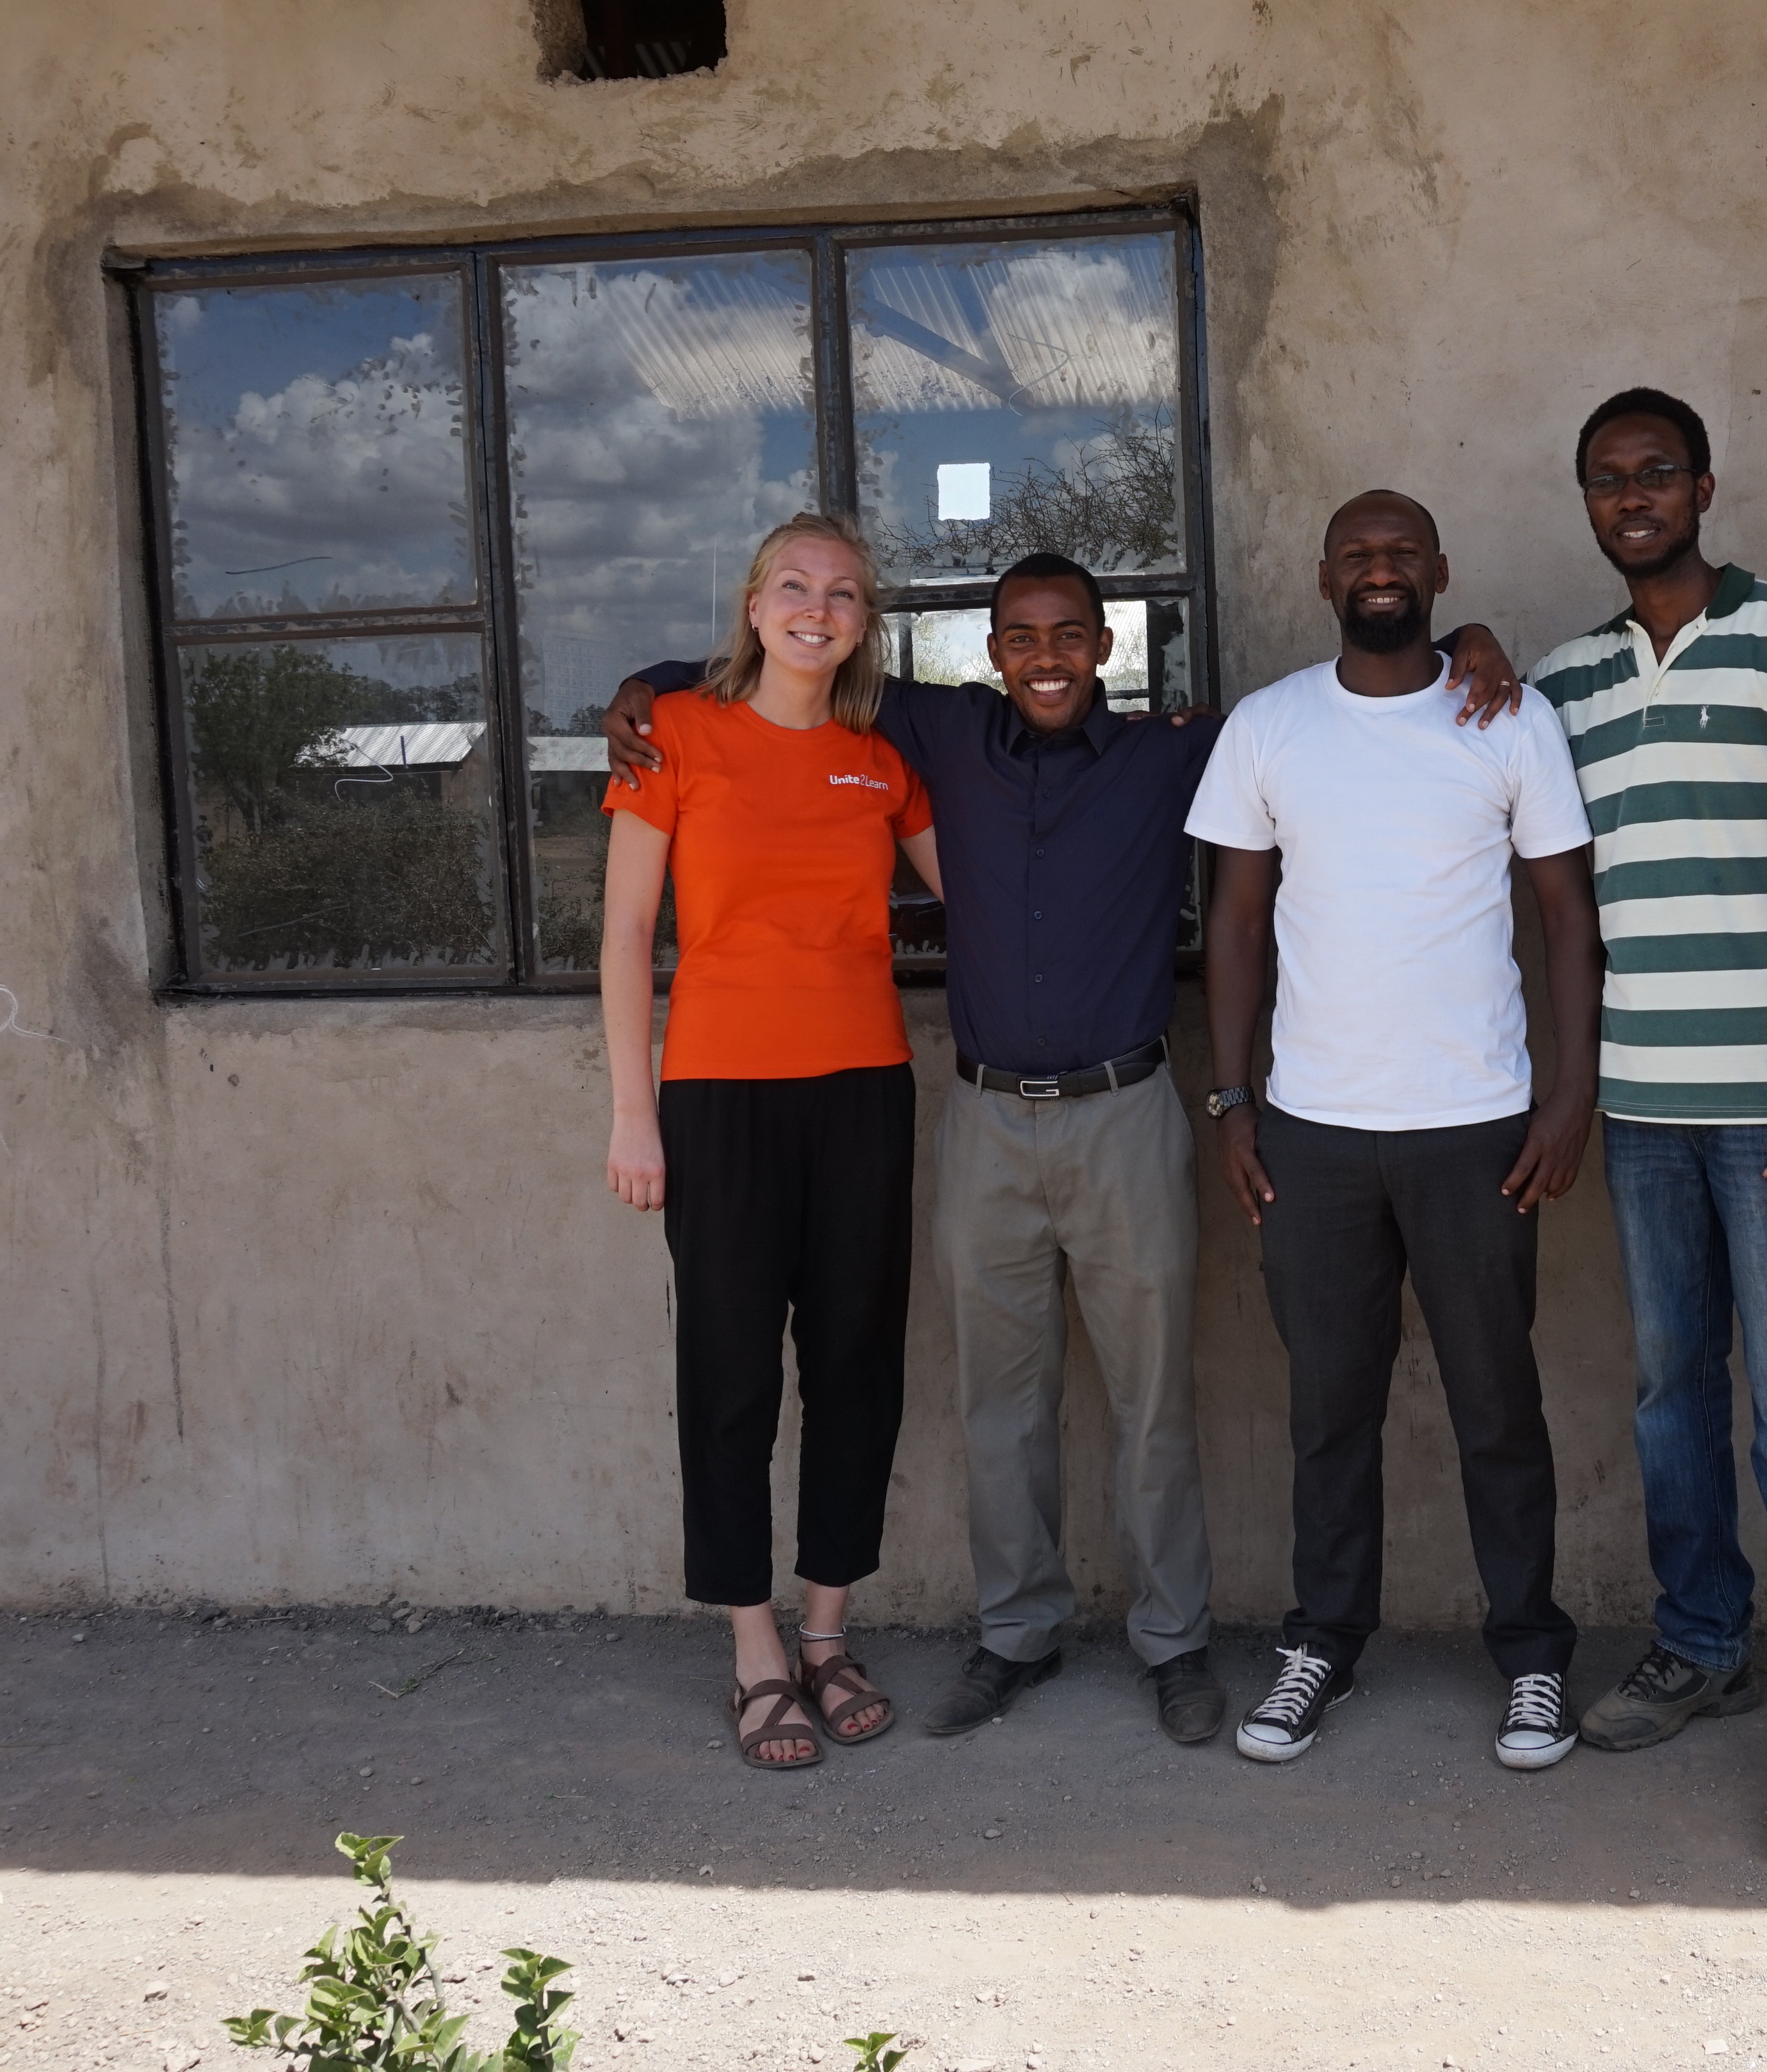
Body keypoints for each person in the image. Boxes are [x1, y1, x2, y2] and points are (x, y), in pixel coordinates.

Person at [605, 554, 1523, 1747]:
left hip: (1125, 1111)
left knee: (1153, 1399)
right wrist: (646, 680)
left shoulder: (1175, 751)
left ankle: (1174, 1644)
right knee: (1000, 1402)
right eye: (1022, 637)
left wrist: (1461, 649)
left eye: (1070, 634)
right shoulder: (937, 731)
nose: (1047, 657)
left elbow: (1341, 706)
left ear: (1106, 645)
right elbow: (794, 655)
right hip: (985, 1121)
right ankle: (1015, 1636)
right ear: (992, 652)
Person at [1522, 387, 1767, 1860]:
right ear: (1588, 502)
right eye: (1607, 479)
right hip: (1638, 1103)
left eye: (1656, 472)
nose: (1633, 497)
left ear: (1702, 486)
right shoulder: (1564, 682)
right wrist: (1476, 651)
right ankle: (1701, 1637)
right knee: (1670, 1392)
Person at [1187, 490, 1603, 1770]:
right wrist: (1232, 1100)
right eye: (1358, 554)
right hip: (1311, 1134)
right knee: (1329, 1410)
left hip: (1475, 1129)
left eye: (1402, 551)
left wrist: (1570, 1093)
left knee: (1497, 1406)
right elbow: (1235, 924)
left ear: (1439, 569)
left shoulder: (1509, 718)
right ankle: (1323, 1641)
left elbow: (1567, 916)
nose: (1381, 569)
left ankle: (1531, 1656)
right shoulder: (1270, 726)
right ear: (1324, 578)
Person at [599, 514, 939, 1772]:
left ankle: (827, 1632)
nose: (817, 608)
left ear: (864, 622)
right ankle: (753, 1647)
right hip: (719, 1096)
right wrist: (634, 1112)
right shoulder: (675, 735)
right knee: (730, 1370)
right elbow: (625, 937)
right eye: (793, 585)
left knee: (856, 1366)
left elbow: (988, 892)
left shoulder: (881, 759)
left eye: (842, 593)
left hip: (865, 1090)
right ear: (752, 605)